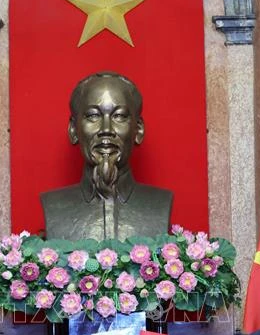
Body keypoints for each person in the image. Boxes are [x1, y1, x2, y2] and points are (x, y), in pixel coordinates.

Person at [41, 71, 172, 241]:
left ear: (138, 130)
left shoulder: (160, 203)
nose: (106, 130)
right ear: (73, 129)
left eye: (119, 116)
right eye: (93, 116)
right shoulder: (54, 205)